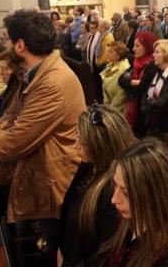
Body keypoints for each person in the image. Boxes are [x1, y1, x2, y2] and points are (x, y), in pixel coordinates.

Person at [0, 10, 86, 267]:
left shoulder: (52, 82)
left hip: (54, 182)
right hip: (39, 175)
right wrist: (5, 129)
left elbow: (12, 141)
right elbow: (10, 116)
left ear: (20, 45)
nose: (4, 45)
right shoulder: (35, 74)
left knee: (50, 254)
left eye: (7, 39)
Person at [100, 140, 168, 267]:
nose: (114, 199)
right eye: (115, 185)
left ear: (154, 196)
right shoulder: (126, 223)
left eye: (126, 193)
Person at [59, 104, 136, 267]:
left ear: (100, 146)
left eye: (83, 141)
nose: (75, 144)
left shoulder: (113, 188)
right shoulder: (90, 166)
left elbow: (104, 252)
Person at [142, 39, 168, 164]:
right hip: (155, 123)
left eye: (157, 52)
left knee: (167, 163)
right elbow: (145, 95)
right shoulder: (157, 72)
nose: (153, 55)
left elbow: (163, 103)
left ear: (167, 54)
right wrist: (146, 106)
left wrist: (148, 106)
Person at [118, 31, 158, 137]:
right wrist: (133, 82)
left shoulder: (153, 65)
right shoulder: (136, 61)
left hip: (143, 112)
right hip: (133, 106)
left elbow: (141, 89)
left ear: (147, 47)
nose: (133, 49)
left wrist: (130, 84)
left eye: (137, 46)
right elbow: (121, 80)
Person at [100, 42, 131, 113]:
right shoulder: (109, 67)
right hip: (109, 108)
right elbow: (105, 90)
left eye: (110, 52)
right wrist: (106, 106)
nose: (107, 54)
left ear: (119, 55)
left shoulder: (124, 68)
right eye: (107, 52)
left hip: (119, 111)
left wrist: (110, 110)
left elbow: (121, 96)